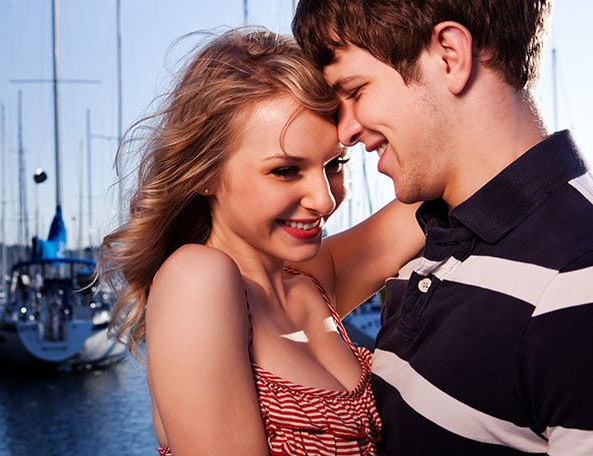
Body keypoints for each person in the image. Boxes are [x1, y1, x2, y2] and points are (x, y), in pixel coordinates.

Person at [98, 28, 423, 455]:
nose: (324, 200)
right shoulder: (197, 279)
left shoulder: (309, 282)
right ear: (205, 174)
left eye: (334, 165)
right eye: (285, 171)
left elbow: (462, 176)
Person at [292, 1, 593, 454]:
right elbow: (285, 286)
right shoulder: (434, 226)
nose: (345, 131)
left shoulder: (578, 276)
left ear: (450, 55)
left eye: (354, 90)